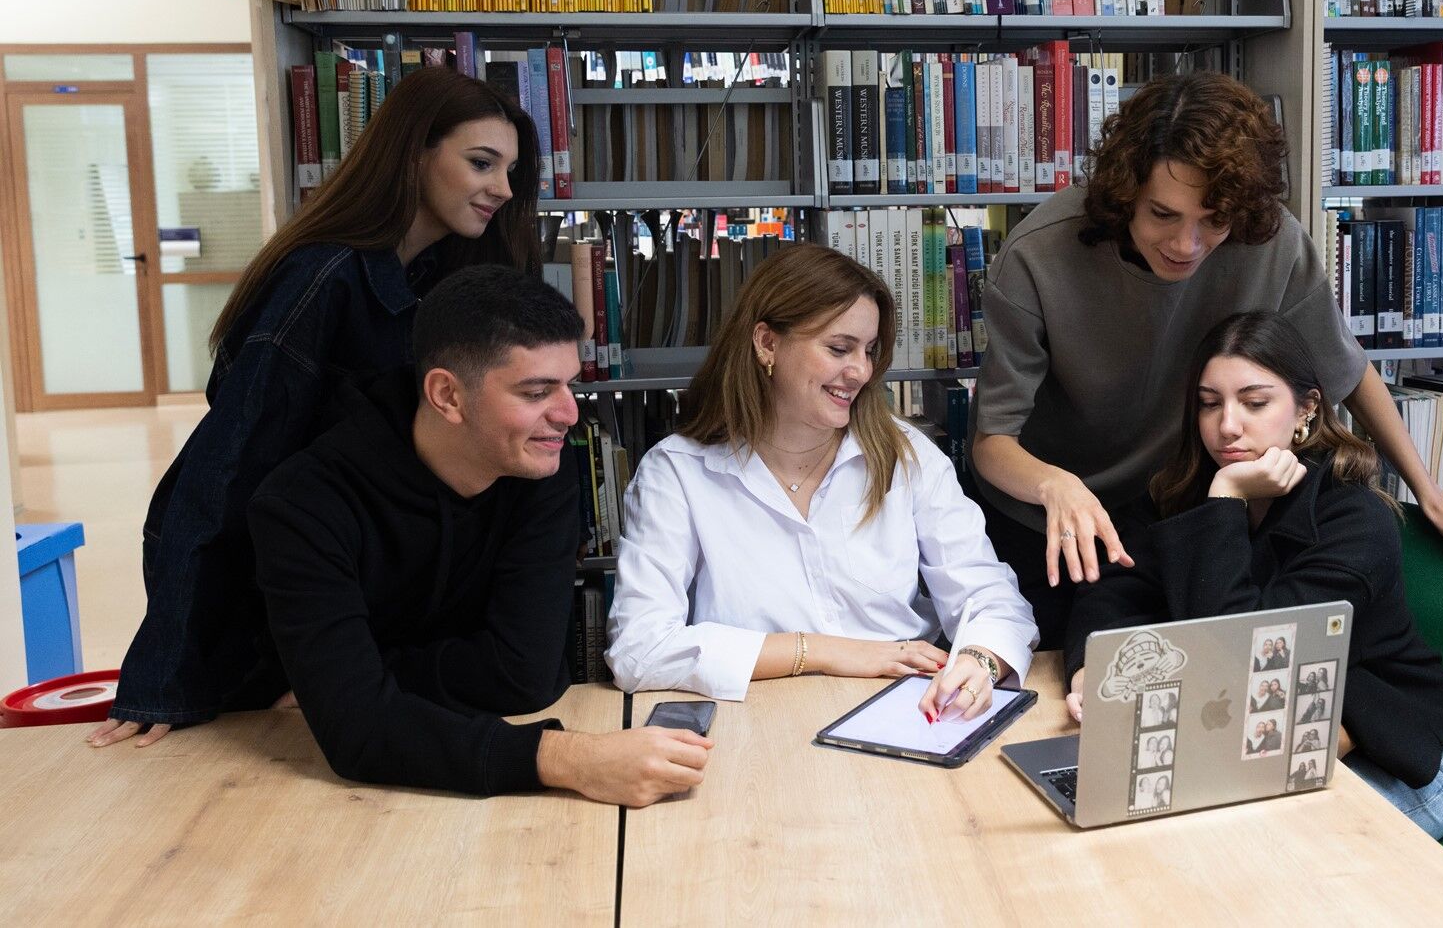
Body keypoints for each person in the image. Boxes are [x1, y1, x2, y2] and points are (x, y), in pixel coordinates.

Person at [968, 71, 1443, 645]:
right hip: (1051, 521)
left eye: (1213, 220)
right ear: (1124, 193)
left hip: (1178, 507)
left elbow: (1346, 369)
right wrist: (1054, 485)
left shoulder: (1271, 238)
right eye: (1163, 214)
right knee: (1066, 677)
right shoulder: (1037, 254)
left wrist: (1432, 499)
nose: (1186, 245)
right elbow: (992, 441)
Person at [94, 67, 543, 749]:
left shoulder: (440, 279)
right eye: (482, 163)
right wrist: (164, 675)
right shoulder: (322, 275)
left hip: (361, 578)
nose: (503, 189)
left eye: (509, 170)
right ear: (414, 154)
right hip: (270, 585)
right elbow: (225, 467)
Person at [195, 267, 710, 802]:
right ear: (447, 395)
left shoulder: (538, 468)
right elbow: (357, 736)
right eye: (537, 392)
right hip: (267, 783)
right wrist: (569, 759)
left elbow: (524, 675)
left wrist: (357, 683)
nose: (568, 414)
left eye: (570, 385)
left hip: (436, 772)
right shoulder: (303, 505)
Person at [1063, 311, 1443, 839]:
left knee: (1235, 851)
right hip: (1264, 740)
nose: (1227, 425)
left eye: (1255, 403)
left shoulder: (1355, 518)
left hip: (1397, 754)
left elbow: (1251, 656)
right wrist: (1092, 671)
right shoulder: (1183, 488)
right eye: (1209, 403)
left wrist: (1227, 498)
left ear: (1307, 408)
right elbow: (1112, 591)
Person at [605, 244, 1039, 720]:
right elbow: (639, 649)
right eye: (839, 348)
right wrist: (824, 651)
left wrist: (979, 661)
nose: (861, 371)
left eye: (869, 351)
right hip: (761, 724)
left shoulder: (907, 456)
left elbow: (991, 598)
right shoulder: (677, 472)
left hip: (909, 711)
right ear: (767, 344)